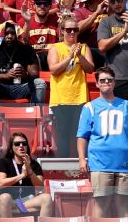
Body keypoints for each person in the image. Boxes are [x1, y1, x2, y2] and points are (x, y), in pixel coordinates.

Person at [78, 67, 128, 218]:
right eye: (102, 80)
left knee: (124, 205)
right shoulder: (89, 107)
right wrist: (82, 159)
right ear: (97, 84)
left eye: (109, 80)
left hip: (125, 164)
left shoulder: (127, 105)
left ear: (114, 83)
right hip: (100, 163)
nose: (106, 82)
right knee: (102, 205)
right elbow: (82, 136)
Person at [48, 17, 95, 157]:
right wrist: (69, 57)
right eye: (69, 30)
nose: (72, 32)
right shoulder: (55, 48)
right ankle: (63, 166)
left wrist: (79, 56)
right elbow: (54, 70)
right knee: (62, 134)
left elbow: (90, 68)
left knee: (79, 133)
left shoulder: (84, 47)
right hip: (60, 98)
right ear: (62, 31)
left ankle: (80, 164)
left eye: (75, 29)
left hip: (79, 98)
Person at [0, 132, 55, 218]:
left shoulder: (34, 164)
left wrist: (30, 171)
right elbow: (1, 184)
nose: (21, 146)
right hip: (8, 200)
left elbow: (40, 187)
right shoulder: (3, 162)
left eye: (24, 143)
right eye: (17, 144)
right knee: (5, 198)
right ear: (11, 147)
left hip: (26, 200)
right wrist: (22, 175)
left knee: (46, 198)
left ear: (27, 146)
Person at [0, 22, 47, 104]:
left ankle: (37, 113)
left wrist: (25, 74)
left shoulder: (26, 49)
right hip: (1, 87)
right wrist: (6, 75)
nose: (9, 36)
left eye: (12, 33)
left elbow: (35, 74)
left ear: (17, 35)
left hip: (21, 87)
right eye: (6, 33)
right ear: (1, 35)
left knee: (40, 83)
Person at [19, 0, 58, 71]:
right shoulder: (24, 21)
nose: (42, 6)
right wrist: (27, 22)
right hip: (32, 60)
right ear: (34, 5)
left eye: (46, 4)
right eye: (39, 3)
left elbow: (62, 41)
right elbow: (23, 42)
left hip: (52, 59)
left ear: (50, 6)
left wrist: (63, 24)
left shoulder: (56, 21)